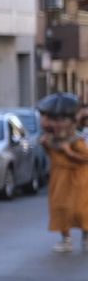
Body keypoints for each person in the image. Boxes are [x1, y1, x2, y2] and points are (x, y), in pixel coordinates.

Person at [37, 92, 88, 254]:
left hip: (78, 178)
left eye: (60, 120)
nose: (56, 125)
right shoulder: (52, 139)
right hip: (59, 179)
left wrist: (69, 152)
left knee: (81, 209)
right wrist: (46, 145)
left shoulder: (76, 140)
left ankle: (86, 235)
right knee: (60, 208)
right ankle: (66, 239)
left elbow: (85, 158)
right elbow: (52, 155)